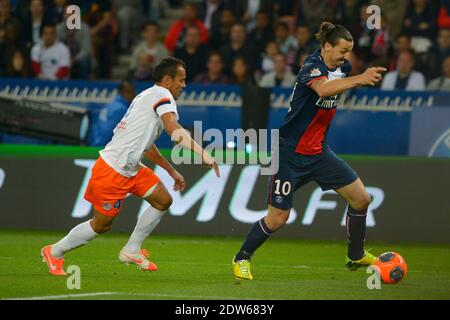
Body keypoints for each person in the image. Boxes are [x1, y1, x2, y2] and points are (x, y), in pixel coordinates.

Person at [232, 22, 386, 280]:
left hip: (319, 153)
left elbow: (335, 86)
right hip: (289, 154)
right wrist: (360, 79)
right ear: (326, 47)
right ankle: (241, 258)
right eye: (342, 50)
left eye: (349, 51)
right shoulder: (311, 67)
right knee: (278, 218)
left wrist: (353, 77)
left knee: (361, 199)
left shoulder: (342, 68)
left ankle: (355, 255)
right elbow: (323, 89)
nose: (346, 57)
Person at [41, 57, 220, 276]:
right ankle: (55, 251)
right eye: (181, 80)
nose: (184, 85)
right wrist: (203, 153)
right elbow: (175, 131)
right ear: (167, 80)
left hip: (132, 168)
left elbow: (147, 145)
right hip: (113, 169)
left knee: (163, 200)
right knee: (101, 226)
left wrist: (171, 170)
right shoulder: (163, 95)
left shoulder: (146, 96)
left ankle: (132, 250)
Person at [90, 80, 136, 147]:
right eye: (129, 92)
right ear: (121, 93)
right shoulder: (121, 109)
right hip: (103, 148)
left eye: (133, 91)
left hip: (95, 144)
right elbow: (109, 131)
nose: (133, 94)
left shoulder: (110, 105)